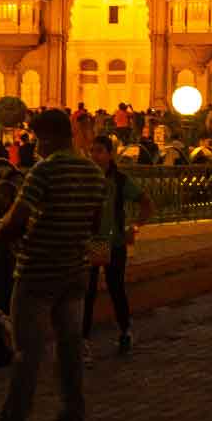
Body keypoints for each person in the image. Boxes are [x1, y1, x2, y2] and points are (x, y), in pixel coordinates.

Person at [0, 108, 106, 421]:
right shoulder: (93, 172)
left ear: (48, 137)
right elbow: (99, 227)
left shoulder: (44, 171)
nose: (35, 146)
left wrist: (2, 232)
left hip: (37, 272)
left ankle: (15, 416)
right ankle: (73, 410)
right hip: (74, 272)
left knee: (27, 352)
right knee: (69, 350)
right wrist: (92, 265)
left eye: (37, 138)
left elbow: (16, 219)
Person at [83, 135, 152, 357]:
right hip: (93, 241)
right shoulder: (86, 179)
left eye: (100, 151)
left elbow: (146, 202)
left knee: (115, 288)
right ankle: (83, 339)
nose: (95, 155)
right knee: (88, 290)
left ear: (110, 153)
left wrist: (136, 227)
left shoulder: (120, 181)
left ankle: (125, 330)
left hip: (113, 242)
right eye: (92, 151)